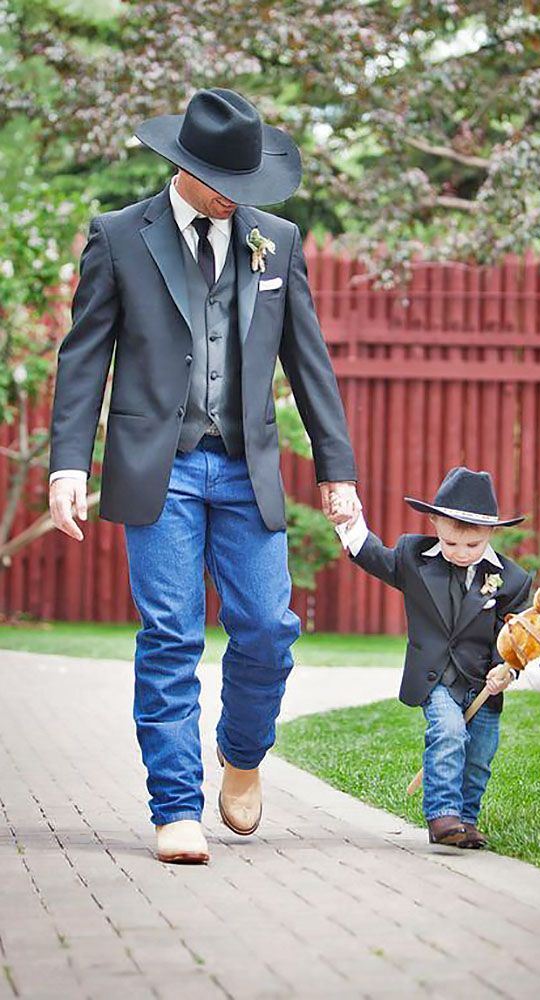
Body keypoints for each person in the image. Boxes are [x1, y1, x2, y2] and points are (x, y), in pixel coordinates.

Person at [48, 88, 361, 864]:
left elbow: (309, 364)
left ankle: (243, 754)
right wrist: (66, 465)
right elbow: (84, 356)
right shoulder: (121, 236)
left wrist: (337, 468)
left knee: (267, 630)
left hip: (246, 468)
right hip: (161, 469)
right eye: (224, 184)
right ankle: (176, 807)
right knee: (170, 635)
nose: (234, 201)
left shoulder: (276, 242)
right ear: (182, 167)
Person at [336, 466, 534, 848]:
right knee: (448, 731)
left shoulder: (511, 579)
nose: (460, 553)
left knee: (478, 755)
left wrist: (506, 669)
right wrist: (349, 523)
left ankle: (466, 820)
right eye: (450, 543)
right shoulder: (414, 557)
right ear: (435, 524)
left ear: (490, 533)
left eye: (471, 546)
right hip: (437, 678)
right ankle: (442, 815)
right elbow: (374, 556)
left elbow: (514, 635)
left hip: (483, 683)